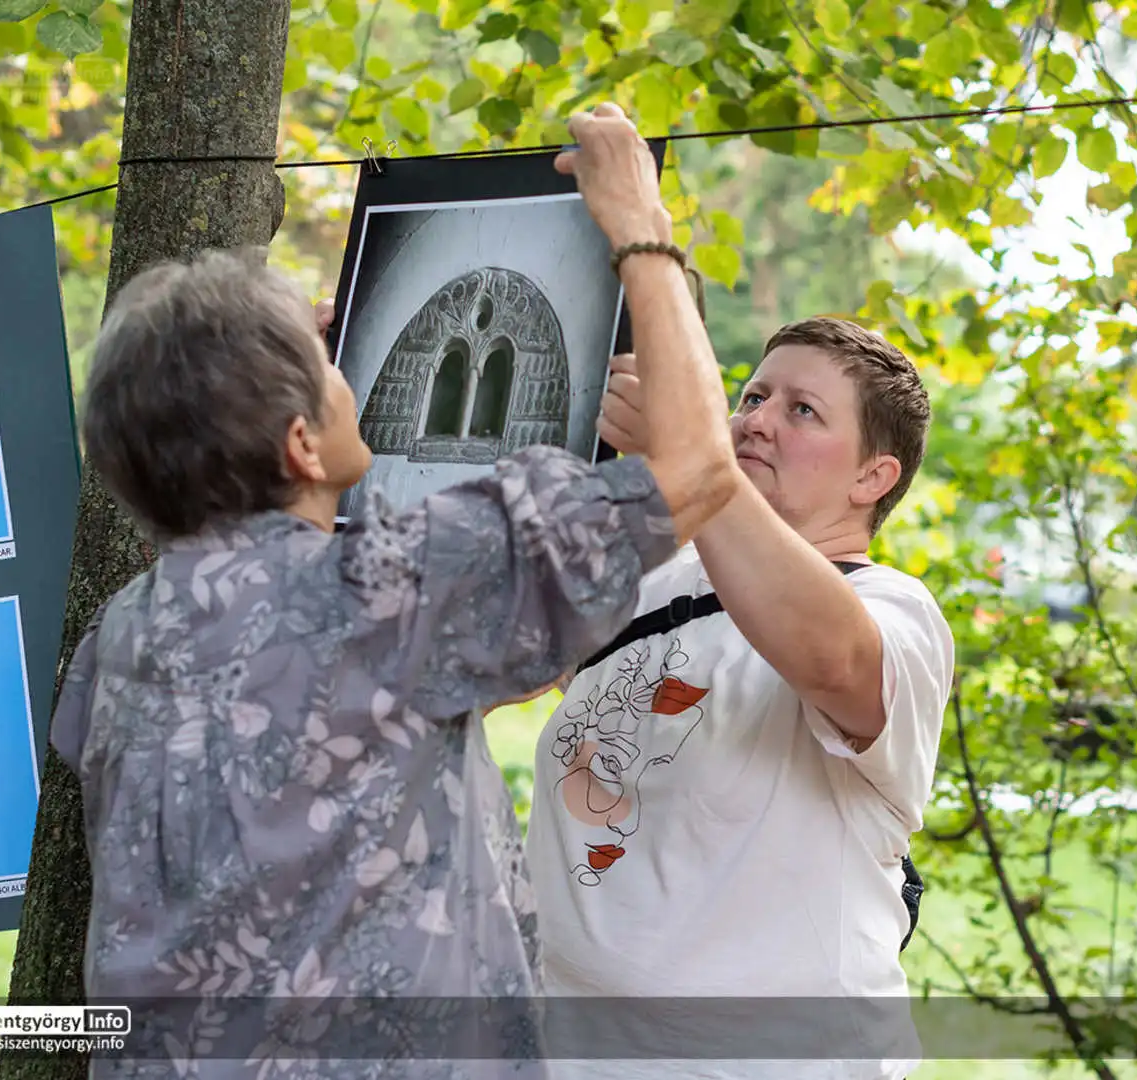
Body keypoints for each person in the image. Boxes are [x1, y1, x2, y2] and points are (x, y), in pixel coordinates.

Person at [46, 104, 741, 1078]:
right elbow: (699, 471)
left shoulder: (121, 633)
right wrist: (639, 227)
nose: (346, 368)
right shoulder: (390, 586)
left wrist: (235, 378)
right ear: (300, 444)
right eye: (325, 368)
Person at [523, 318, 957, 1078]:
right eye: (754, 397)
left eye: (802, 411)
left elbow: (833, 663)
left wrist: (695, 464)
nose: (757, 420)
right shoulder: (648, 579)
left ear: (871, 478)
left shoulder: (893, 611)